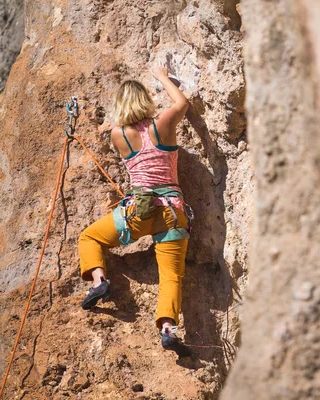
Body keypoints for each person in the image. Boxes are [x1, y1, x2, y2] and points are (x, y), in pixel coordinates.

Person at [77, 65, 192, 357]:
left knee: (90, 238)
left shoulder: (119, 135)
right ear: (145, 101)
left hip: (138, 211)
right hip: (172, 211)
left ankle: (99, 282)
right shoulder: (163, 123)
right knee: (171, 276)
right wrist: (164, 78)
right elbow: (182, 104)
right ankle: (167, 329)